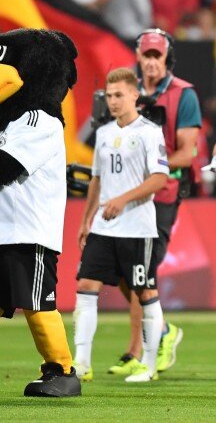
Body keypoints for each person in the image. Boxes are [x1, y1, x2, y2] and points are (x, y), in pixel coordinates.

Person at [107, 30, 197, 376]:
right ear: (138, 56)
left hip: (163, 193)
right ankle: (161, 331)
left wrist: (150, 169)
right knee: (124, 271)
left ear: (166, 58)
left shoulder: (183, 94)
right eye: (147, 55)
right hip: (128, 193)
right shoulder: (126, 91)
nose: (151, 62)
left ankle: (137, 351)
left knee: (141, 272)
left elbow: (187, 153)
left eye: (157, 56)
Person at [73, 68, 170, 383]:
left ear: (134, 95)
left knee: (145, 292)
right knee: (86, 286)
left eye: (119, 95)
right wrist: (86, 220)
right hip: (103, 228)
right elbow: (96, 180)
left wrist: (123, 199)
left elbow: (160, 178)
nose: (112, 101)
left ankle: (149, 366)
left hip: (137, 228)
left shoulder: (149, 132)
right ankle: (81, 363)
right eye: (109, 96)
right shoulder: (103, 133)